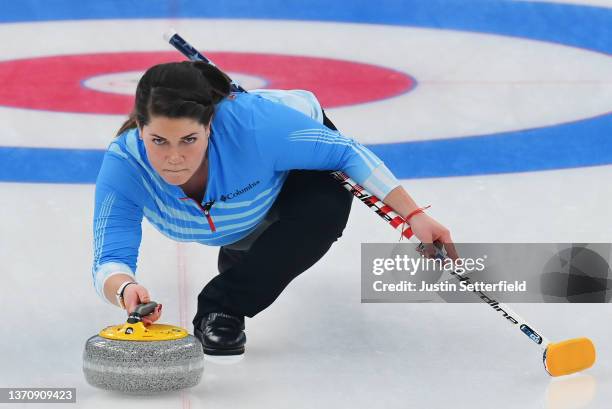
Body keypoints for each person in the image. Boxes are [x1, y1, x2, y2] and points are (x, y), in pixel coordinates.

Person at [92, 61, 457, 356]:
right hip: (244, 207)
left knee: (323, 211)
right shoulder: (125, 164)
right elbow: (109, 258)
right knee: (250, 242)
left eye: (189, 140)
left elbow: (346, 152)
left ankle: (224, 307)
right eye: (159, 141)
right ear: (140, 128)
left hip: (298, 149)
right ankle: (249, 255)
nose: (174, 158)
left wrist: (413, 215)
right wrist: (125, 288)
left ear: (210, 125)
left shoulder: (256, 128)